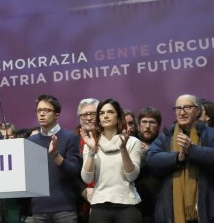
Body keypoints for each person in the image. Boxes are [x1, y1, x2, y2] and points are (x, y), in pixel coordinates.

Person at [146, 94, 214, 223]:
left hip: (207, 211)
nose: (182, 112)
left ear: (198, 111)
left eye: (187, 107)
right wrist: (177, 158)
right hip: (173, 213)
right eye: (178, 108)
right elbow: (151, 158)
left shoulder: (212, 133)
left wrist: (192, 150)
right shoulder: (167, 136)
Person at [81, 98, 142, 223]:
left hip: (127, 205)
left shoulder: (132, 142)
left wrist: (123, 149)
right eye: (102, 113)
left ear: (118, 117)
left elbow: (132, 176)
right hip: (99, 206)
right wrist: (92, 150)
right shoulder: (91, 143)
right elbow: (87, 179)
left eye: (110, 112)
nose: (106, 116)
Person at [27, 94, 82, 222]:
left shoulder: (70, 137)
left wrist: (55, 156)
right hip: (39, 209)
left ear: (57, 115)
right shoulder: (30, 141)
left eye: (46, 110)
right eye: (39, 110)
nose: (41, 114)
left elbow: (74, 171)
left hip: (64, 209)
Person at [135, 107, 162, 223]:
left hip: (159, 207)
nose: (147, 126)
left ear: (158, 126)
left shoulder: (166, 146)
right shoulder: (129, 146)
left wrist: (150, 152)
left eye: (152, 122)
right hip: (134, 207)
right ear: (138, 125)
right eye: (144, 122)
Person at [73, 98, 98, 222]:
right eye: (84, 115)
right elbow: (69, 173)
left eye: (92, 114)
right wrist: (82, 190)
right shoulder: (72, 140)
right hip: (80, 203)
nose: (88, 118)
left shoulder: (109, 137)